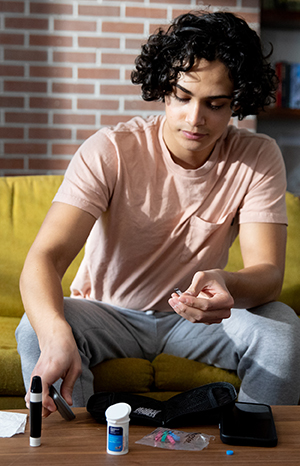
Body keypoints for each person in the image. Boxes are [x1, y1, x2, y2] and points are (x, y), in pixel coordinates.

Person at [16, 10, 300, 417]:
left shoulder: (257, 157)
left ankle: (255, 443)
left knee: (281, 327)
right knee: (34, 330)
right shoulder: (111, 149)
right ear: (164, 89)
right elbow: (45, 257)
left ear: (236, 101)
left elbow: (269, 273)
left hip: (196, 319)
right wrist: (55, 332)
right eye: (183, 97)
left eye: (215, 104)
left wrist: (227, 282)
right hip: (108, 313)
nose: (195, 119)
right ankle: (75, 454)